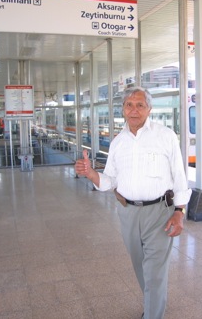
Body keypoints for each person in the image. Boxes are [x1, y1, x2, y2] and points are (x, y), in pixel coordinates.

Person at [75, 86, 191, 319]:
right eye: (129, 105)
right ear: (123, 110)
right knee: (141, 267)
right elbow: (109, 181)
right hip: (127, 213)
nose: (134, 110)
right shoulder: (118, 142)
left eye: (140, 105)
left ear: (149, 109)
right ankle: (152, 303)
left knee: (154, 271)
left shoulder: (165, 136)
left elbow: (179, 176)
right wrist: (90, 173)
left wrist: (179, 211)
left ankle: (152, 314)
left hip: (160, 212)